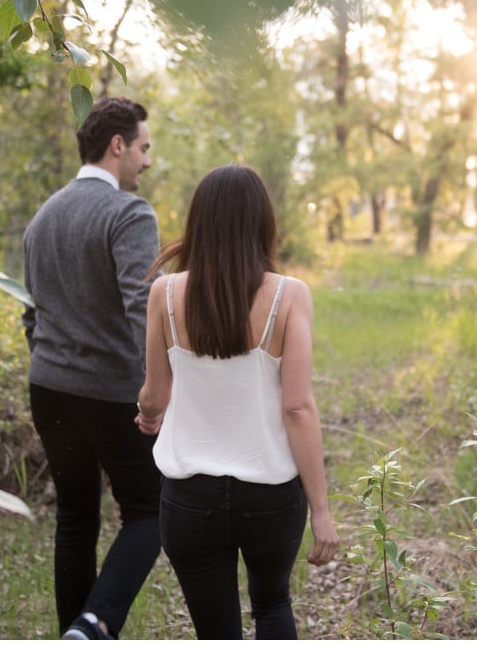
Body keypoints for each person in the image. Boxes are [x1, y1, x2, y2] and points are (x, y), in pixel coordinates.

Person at [135, 164, 339, 640]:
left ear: (198, 222)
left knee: (216, 632)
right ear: (262, 223)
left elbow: (155, 394)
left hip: (188, 498)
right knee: (272, 605)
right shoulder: (290, 296)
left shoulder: (164, 293)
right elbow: (298, 408)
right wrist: (322, 509)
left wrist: (148, 414)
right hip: (270, 496)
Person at [21, 96, 162, 640]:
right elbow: (141, 306)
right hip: (110, 394)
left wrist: (50, 360)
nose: (147, 162)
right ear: (118, 145)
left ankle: (73, 634)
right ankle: (96, 622)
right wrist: (157, 387)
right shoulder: (129, 212)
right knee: (151, 510)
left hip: (48, 388)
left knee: (76, 517)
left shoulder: (43, 216)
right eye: (144, 148)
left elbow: (30, 311)